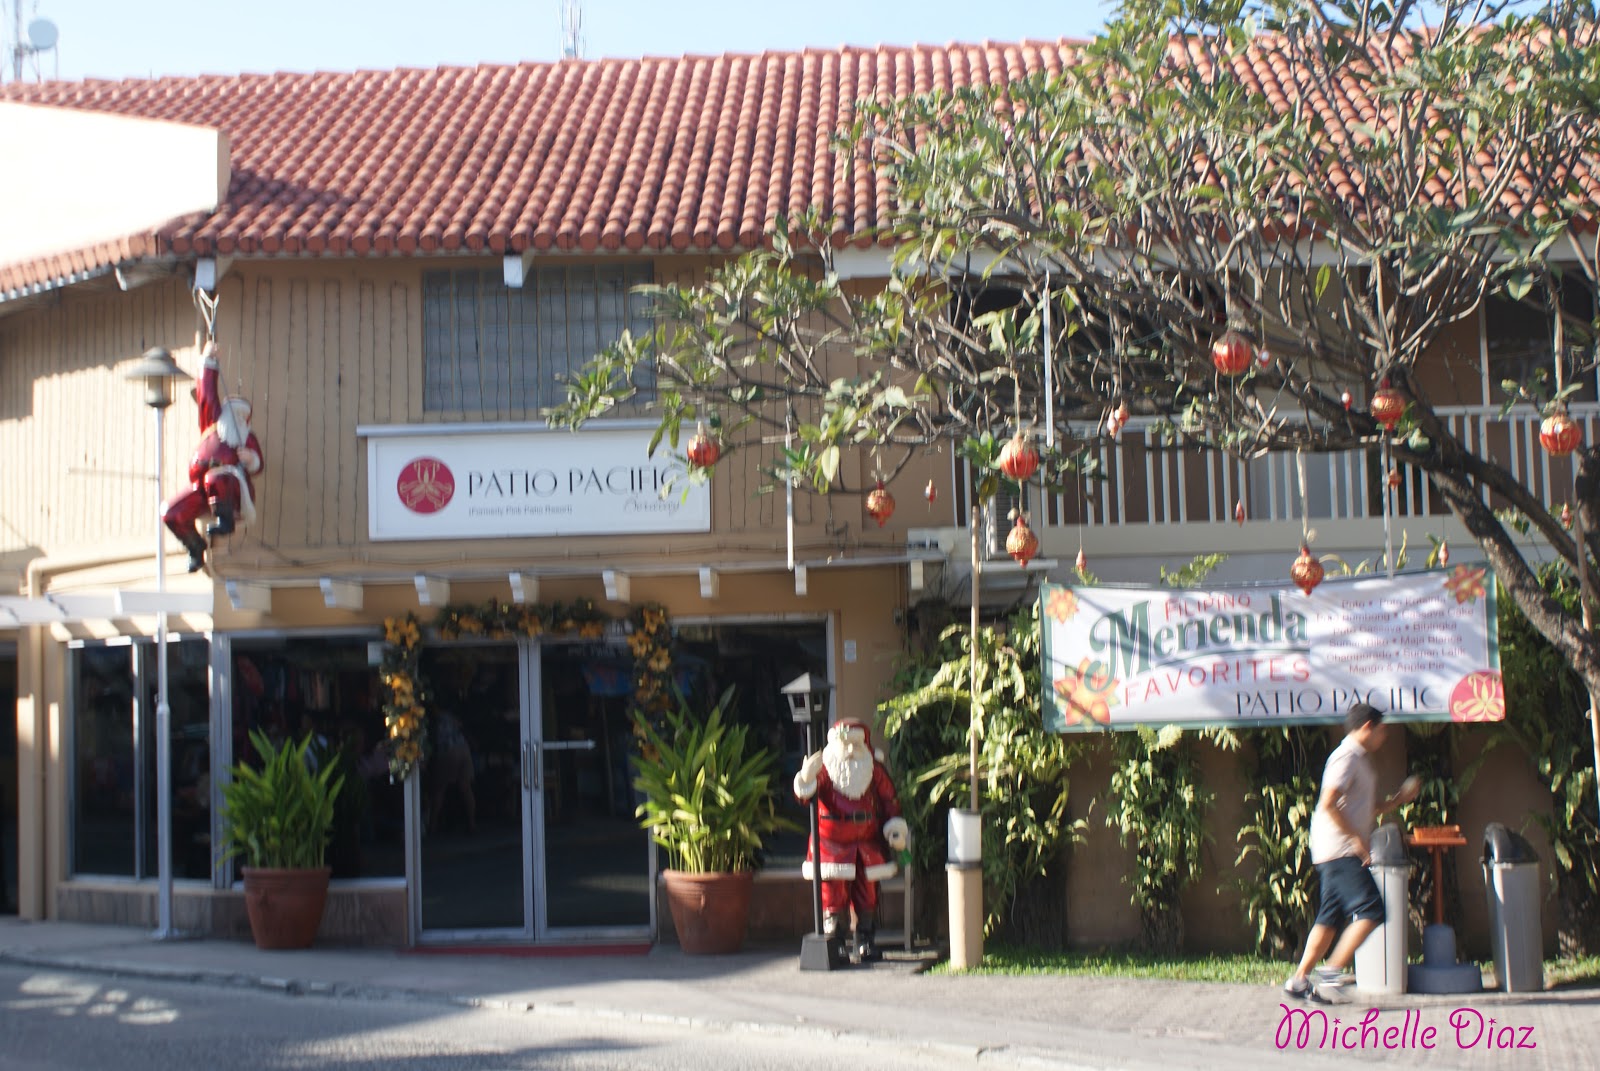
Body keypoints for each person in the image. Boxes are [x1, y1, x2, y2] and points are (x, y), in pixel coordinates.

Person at [1284, 702, 1420, 1001]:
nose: (1383, 737)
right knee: (1372, 910)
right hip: (1340, 849)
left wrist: (1397, 800)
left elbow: (1360, 807)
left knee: (1329, 918)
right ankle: (1330, 976)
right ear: (1367, 727)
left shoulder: (1358, 759)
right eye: (1382, 731)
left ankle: (1299, 980)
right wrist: (1356, 841)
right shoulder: (1346, 757)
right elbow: (1328, 803)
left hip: (1333, 849)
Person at [793, 718, 909, 963]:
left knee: (868, 894)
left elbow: (889, 798)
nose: (848, 751)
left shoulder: (873, 768)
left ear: (863, 744)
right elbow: (806, 796)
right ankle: (835, 943)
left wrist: (894, 825)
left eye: (854, 745)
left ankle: (865, 941)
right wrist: (805, 778)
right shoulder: (826, 768)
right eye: (844, 744)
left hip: (867, 843)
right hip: (831, 844)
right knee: (833, 895)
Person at [162, 341, 263, 573]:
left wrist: (251, 458)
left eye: (241, 415)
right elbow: (207, 394)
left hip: (231, 487)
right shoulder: (213, 425)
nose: (235, 418)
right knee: (171, 512)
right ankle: (195, 547)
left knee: (215, 477)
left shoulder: (245, 437)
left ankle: (225, 520)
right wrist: (208, 360)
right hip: (202, 488)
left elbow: (258, 463)